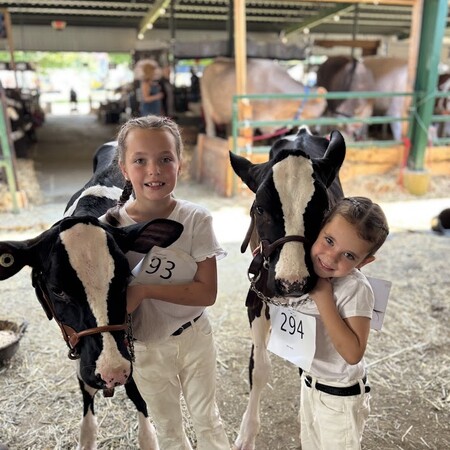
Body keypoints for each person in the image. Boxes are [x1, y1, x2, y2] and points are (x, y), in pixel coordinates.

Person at [101, 115, 230, 450]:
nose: (154, 170)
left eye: (165, 159)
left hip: (194, 337)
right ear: (124, 169)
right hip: (144, 346)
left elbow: (208, 292)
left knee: (208, 420)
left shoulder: (195, 219)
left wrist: (144, 289)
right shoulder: (107, 227)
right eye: (140, 161)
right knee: (169, 429)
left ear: (180, 165)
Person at [298, 196, 389, 450]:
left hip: (340, 396)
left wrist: (324, 298)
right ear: (320, 228)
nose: (330, 258)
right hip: (310, 384)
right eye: (328, 241)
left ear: (363, 262)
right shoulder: (308, 269)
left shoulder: (355, 288)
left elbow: (353, 353)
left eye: (348, 255)